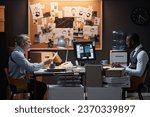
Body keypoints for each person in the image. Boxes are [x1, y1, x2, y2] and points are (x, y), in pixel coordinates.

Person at [8, 34, 51, 99]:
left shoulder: (19, 53)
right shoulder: (17, 54)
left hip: (22, 80)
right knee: (42, 86)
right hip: (19, 83)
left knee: (40, 86)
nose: (30, 44)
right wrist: (43, 63)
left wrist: (41, 65)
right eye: (28, 41)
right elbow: (30, 67)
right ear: (23, 43)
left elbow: (29, 66)